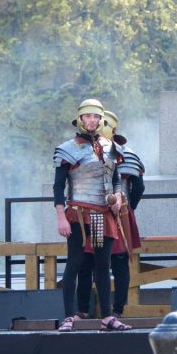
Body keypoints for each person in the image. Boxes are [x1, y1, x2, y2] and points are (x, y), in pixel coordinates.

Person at [53, 99, 131, 331]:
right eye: (88, 116)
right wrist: (60, 215)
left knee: (102, 264)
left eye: (96, 117)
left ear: (100, 120)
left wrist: (117, 195)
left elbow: (115, 178)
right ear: (80, 119)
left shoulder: (110, 146)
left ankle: (107, 316)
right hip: (78, 212)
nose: (92, 120)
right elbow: (58, 187)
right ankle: (69, 316)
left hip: (103, 213)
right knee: (75, 262)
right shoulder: (67, 149)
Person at [76, 110, 145, 319]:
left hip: (102, 213)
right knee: (110, 262)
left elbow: (138, 186)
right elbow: (138, 188)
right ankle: (114, 311)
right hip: (112, 213)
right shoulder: (99, 151)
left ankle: (89, 310)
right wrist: (128, 207)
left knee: (96, 261)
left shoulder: (110, 152)